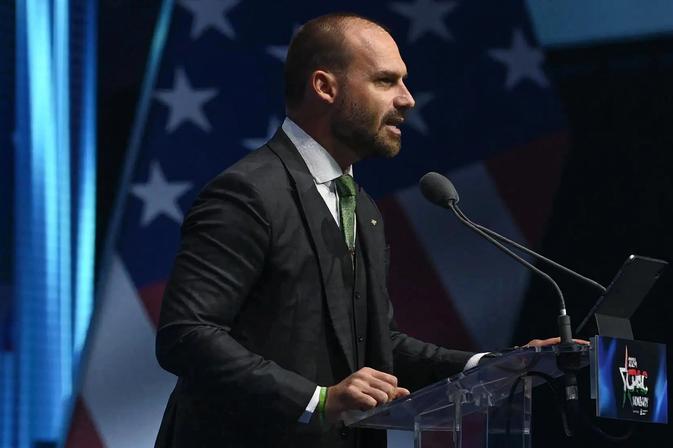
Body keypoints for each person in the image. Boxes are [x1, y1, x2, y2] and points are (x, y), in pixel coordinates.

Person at [155, 13, 566, 448]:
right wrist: (317, 399)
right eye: (386, 81)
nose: (407, 99)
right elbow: (187, 334)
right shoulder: (247, 193)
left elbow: (378, 343)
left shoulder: (361, 206)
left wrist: (488, 366)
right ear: (325, 87)